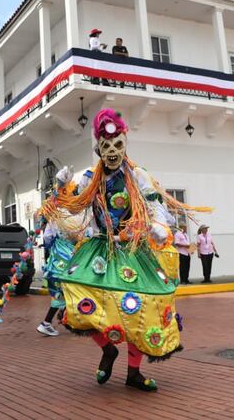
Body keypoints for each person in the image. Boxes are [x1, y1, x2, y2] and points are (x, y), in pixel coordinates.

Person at [40, 108, 211, 392]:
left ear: (124, 143)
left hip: (133, 250)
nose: (112, 151)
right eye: (106, 146)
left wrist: (157, 225)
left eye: (117, 144)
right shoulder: (88, 178)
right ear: (97, 148)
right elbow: (72, 206)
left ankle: (134, 372)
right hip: (98, 251)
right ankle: (108, 350)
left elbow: (154, 202)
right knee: (77, 304)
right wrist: (59, 187)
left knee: (139, 309)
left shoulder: (137, 174)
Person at [36, 219, 73, 336]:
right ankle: (48, 322)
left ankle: (63, 318)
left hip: (57, 258)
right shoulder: (78, 214)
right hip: (70, 256)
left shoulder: (55, 217)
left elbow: (47, 237)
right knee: (64, 292)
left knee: (61, 292)